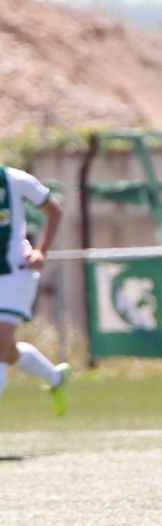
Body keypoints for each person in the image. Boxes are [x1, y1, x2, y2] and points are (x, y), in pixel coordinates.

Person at [0, 164, 70, 414]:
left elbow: (54, 210)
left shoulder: (15, 180)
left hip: (15, 275)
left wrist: (40, 250)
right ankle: (54, 377)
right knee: (7, 350)